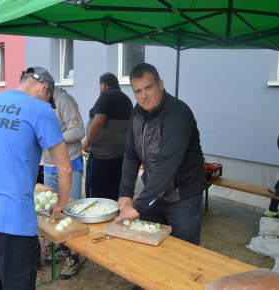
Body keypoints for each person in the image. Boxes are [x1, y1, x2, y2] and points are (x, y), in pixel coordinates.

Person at [0, 67, 72, 289]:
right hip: (12, 221)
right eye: (48, 97)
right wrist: (60, 203)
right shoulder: (41, 110)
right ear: (44, 87)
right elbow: (65, 168)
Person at [116, 63, 206, 246]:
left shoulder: (178, 114)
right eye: (138, 91)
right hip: (154, 194)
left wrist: (138, 206)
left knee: (183, 251)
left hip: (183, 196)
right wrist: (125, 193)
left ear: (161, 85)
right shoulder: (137, 113)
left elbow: (167, 165)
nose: (144, 96)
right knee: (151, 246)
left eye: (148, 87)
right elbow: (131, 154)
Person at [41, 87, 86, 279]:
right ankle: (61, 246)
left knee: (71, 210)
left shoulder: (64, 100)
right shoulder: (38, 104)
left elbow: (79, 130)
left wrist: (54, 140)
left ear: (44, 88)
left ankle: (74, 257)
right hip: (48, 164)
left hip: (70, 162)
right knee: (53, 209)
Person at [82, 72, 133, 201]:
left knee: (95, 196)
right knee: (113, 195)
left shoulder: (105, 96)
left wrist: (87, 142)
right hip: (119, 156)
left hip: (101, 157)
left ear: (104, 85)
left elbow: (99, 120)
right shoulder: (126, 99)